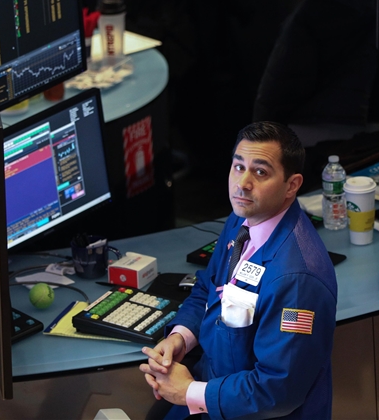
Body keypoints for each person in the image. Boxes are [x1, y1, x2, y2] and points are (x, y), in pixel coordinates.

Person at [140, 121, 338, 420]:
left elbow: (277, 390)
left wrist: (189, 392)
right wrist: (181, 337)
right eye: (238, 167)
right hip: (215, 387)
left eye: (260, 172)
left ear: (292, 185)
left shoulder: (297, 280)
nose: (242, 183)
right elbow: (208, 287)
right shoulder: (243, 219)